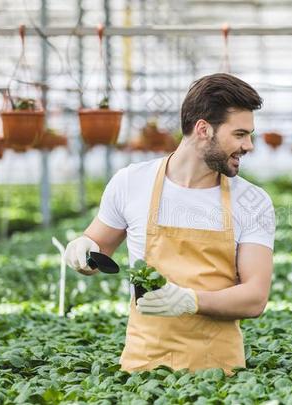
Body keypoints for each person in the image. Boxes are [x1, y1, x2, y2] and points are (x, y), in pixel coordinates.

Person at [64, 73, 275, 374]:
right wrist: (82, 248)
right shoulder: (131, 182)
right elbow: (97, 253)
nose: (249, 145)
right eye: (240, 134)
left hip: (219, 378)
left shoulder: (252, 201)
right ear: (203, 129)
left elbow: (254, 298)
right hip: (142, 373)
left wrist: (190, 300)